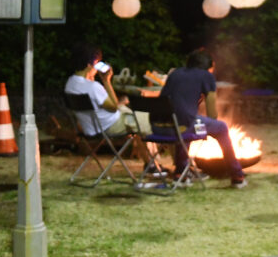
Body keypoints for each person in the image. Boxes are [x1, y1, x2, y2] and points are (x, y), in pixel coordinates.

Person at [160, 49, 246, 188]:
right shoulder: (206, 76)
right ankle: (237, 176)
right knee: (222, 127)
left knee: (187, 123)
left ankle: (179, 174)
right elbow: (212, 112)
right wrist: (212, 124)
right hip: (183, 126)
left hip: (160, 127)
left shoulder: (175, 73)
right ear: (209, 66)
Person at [64, 43, 139, 137]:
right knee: (144, 121)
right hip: (110, 126)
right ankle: (151, 151)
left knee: (133, 114)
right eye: (97, 63)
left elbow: (99, 108)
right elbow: (114, 108)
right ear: (89, 65)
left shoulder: (69, 84)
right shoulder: (93, 87)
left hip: (91, 129)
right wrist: (106, 81)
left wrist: (90, 77)